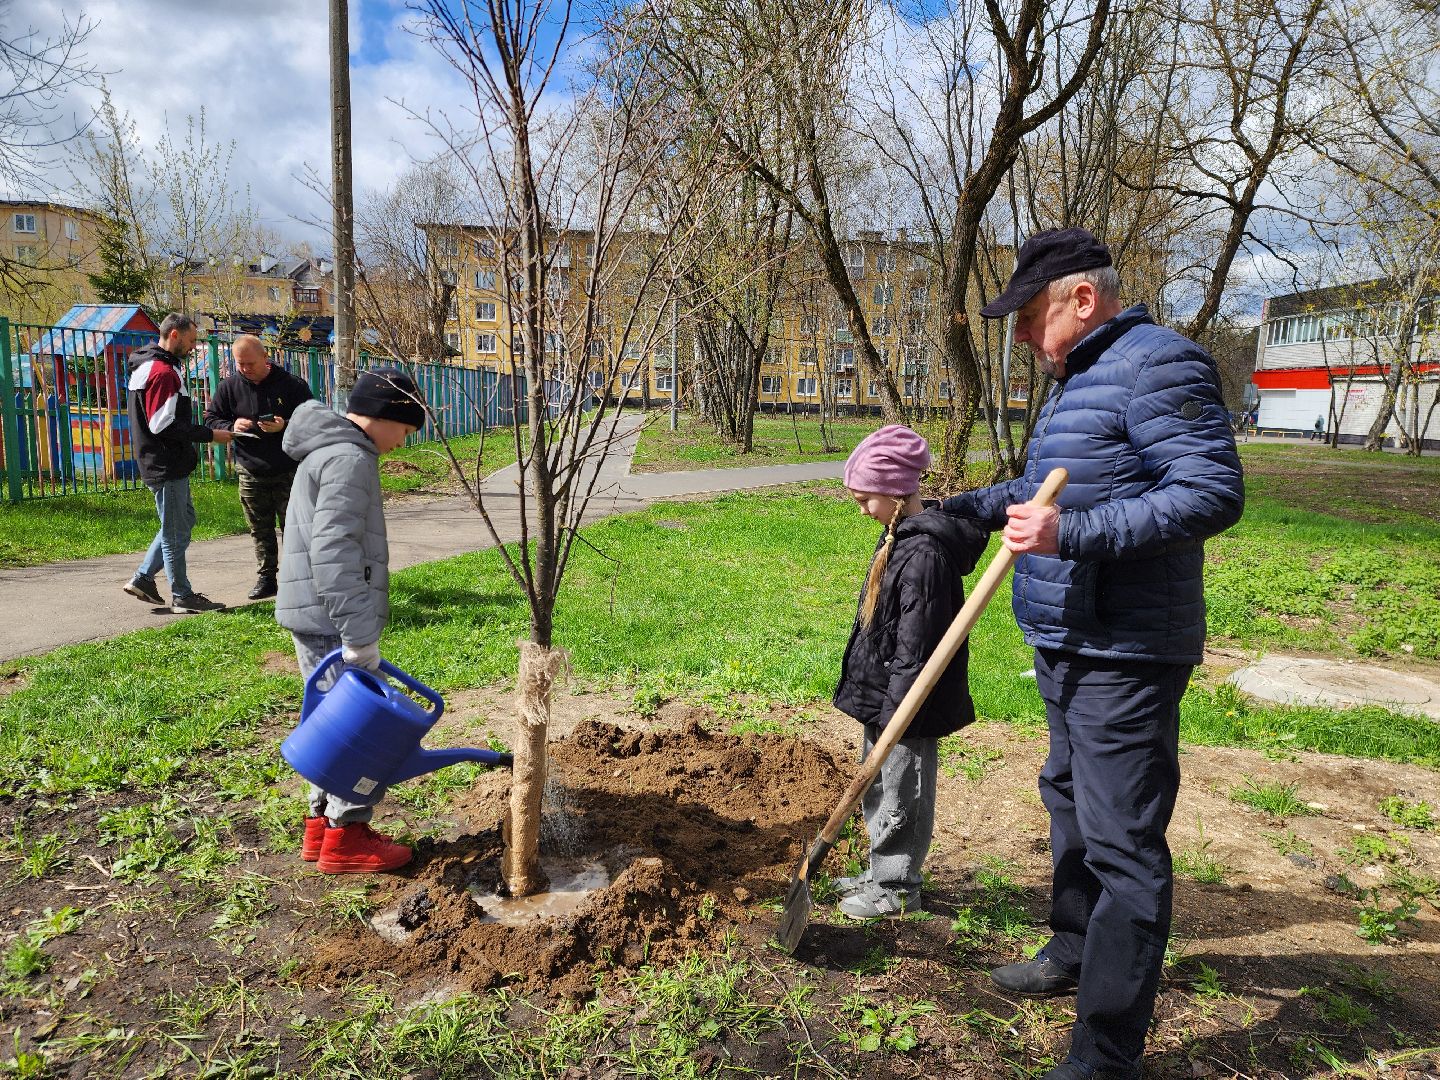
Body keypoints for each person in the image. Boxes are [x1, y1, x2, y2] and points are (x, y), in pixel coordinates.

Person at [941, 228, 1244, 1080]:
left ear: (1083, 298)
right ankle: (1072, 950)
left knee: (1123, 846)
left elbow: (1212, 492)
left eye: (1031, 317)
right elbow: (1046, 486)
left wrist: (1070, 535)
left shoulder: (1160, 364)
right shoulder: (1079, 377)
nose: (1024, 338)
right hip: (1068, 638)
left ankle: (1107, 1054)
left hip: (1128, 650)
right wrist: (959, 511)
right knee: (1068, 802)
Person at [831, 425, 988, 919]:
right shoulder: (898, 537)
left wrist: (896, 714)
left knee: (903, 791)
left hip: (908, 703)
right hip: (885, 696)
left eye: (865, 499)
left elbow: (917, 648)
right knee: (877, 783)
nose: (862, 510)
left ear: (896, 492)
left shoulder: (924, 556)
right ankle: (882, 869)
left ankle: (898, 885)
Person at [276, 368, 426, 874]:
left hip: (313, 613)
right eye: (404, 432)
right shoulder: (349, 458)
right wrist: (359, 636)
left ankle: (320, 826)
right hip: (333, 618)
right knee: (355, 731)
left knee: (326, 724)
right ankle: (348, 837)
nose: (401, 444)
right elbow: (335, 551)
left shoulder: (325, 450)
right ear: (384, 417)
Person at [122, 313, 234, 614]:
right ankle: (182, 595)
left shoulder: (150, 366)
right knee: (174, 532)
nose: (194, 346)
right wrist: (211, 435)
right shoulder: (163, 373)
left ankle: (144, 578)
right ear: (174, 335)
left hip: (161, 460)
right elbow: (162, 425)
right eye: (192, 339)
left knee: (183, 523)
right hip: (165, 464)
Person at [203, 335, 314, 600]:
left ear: (266, 357)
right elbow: (211, 418)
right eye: (240, 364)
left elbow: (313, 421)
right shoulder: (229, 387)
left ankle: (302, 579)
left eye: (250, 363)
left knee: (296, 528)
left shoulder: (292, 385)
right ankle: (267, 579)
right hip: (251, 470)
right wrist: (231, 427)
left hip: (289, 469)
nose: (245, 369)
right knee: (260, 528)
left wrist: (284, 425)